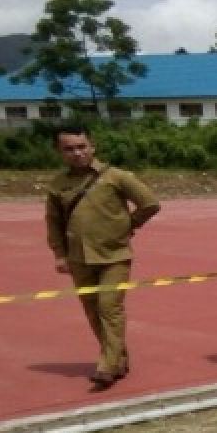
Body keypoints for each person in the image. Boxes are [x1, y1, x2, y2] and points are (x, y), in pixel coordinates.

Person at [44, 124, 160, 390]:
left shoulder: (115, 177)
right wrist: (60, 255)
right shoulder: (58, 185)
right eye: (69, 149)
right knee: (93, 311)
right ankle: (118, 359)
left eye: (81, 147)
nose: (77, 153)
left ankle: (106, 366)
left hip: (114, 256)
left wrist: (129, 225)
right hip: (78, 258)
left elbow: (150, 203)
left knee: (109, 307)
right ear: (59, 152)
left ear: (92, 146)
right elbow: (53, 222)